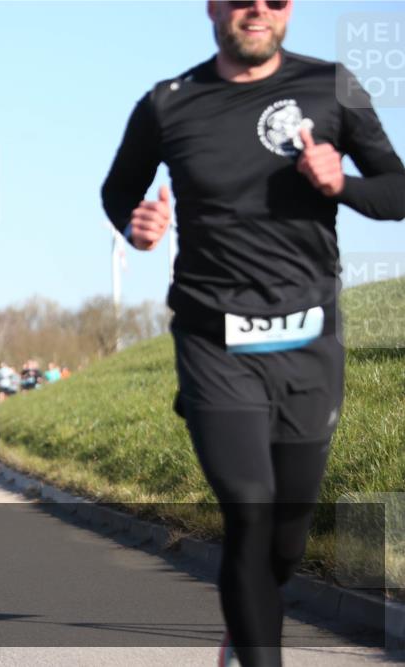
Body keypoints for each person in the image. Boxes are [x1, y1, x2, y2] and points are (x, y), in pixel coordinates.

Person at [101, 2, 405, 664]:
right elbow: (117, 191)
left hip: (308, 341)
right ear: (213, 7)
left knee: (287, 537)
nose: (257, 11)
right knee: (249, 508)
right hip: (215, 340)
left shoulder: (333, 86)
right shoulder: (168, 104)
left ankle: (245, 627)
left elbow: (398, 189)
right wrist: (137, 226)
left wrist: (342, 184)